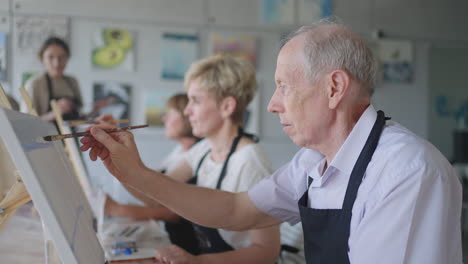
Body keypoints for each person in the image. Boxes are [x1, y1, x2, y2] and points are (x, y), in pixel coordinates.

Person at [81, 20, 462, 264]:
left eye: (283, 86)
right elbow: (235, 209)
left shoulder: (406, 171)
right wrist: (134, 174)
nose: (272, 104)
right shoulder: (314, 162)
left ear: (334, 88)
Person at [87, 55, 280, 263]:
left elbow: (266, 252)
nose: (188, 111)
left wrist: (198, 262)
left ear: (227, 107)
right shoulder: (204, 149)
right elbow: (154, 195)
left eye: (195, 101)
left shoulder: (250, 161)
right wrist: (119, 166)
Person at [102, 93, 201, 254]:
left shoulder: (197, 154)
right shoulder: (179, 151)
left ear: (187, 117)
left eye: (170, 113)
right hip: (174, 242)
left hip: (188, 250)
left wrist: (119, 209)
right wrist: (118, 158)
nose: (164, 119)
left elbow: (168, 209)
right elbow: (149, 189)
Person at [24, 37, 82, 121]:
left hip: (74, 133)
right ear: (42, 59)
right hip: (46, 133)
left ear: (67, 58)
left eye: (61, 57)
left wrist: (95, 110)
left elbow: (80, 115)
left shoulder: (73, 81)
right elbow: (26, 123)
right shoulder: (34, 84)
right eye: (50, 57)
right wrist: (54, 114)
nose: (56, 63)